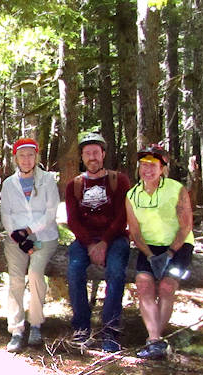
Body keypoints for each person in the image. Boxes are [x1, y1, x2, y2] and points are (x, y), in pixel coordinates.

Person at [125, 144, 194, 360]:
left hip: (179, 245)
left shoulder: (176, 189)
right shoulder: (132, 195)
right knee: (144, 285)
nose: (148, 169)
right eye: (144, 165)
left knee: (166, 286)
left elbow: (186, 226)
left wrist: (170, 253)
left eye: (153, 165)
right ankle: (155, 340)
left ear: (162, 168)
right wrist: (151, 255)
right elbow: (135, 231)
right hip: (149, 247)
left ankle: (154, 339)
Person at [65, 132, 131, 352]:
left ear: (103, 154)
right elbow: (73, 221)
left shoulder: (118, 180)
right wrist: (90, 244)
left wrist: (104, 242)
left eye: (95, 152)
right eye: (87, 153)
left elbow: (123, 215)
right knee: (74, 271)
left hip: (115, 238)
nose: (92, 157)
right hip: (85, 240)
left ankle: (110, 331)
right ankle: (81, 328)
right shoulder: (74, 185)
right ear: (82, 157)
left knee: (116, 271)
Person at [0, 138, 59, 353]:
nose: (26, 159)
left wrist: (29, 231)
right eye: (22, 155)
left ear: (36, 157)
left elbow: (51, 212)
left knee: (34, 274)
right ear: (15, 158)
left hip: (45, 236)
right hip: (16, 238)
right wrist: (18, 237)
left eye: (30, 155)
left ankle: (35, 323)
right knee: (15, 280)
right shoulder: (8, 183)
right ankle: (16, 330)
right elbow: (6, 213)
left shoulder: (47, 180)